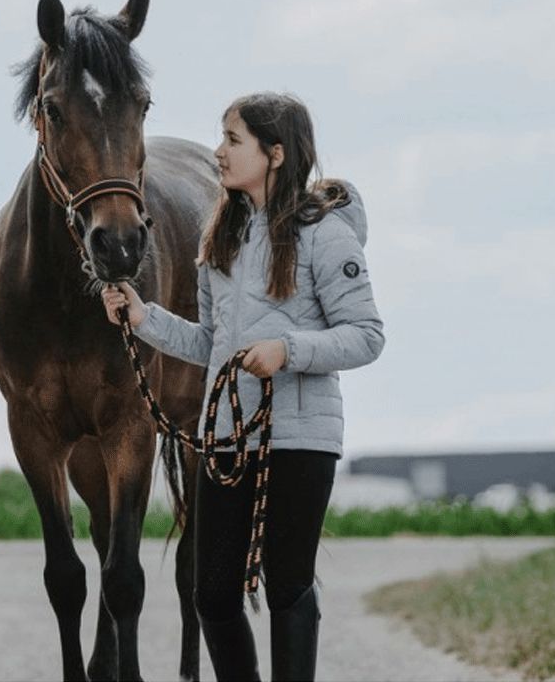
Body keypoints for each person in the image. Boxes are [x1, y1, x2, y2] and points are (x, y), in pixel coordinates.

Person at [101, 92, 385, 681]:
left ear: (275, 153)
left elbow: (366, 336)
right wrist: (144, 317)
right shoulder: (222, 239)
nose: (219, 152)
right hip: (228, 437)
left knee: (287, 587)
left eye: (233, 140)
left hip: (300, 439)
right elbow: (213, 344)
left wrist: (288, 350)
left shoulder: (326, 237)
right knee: (213, 595)